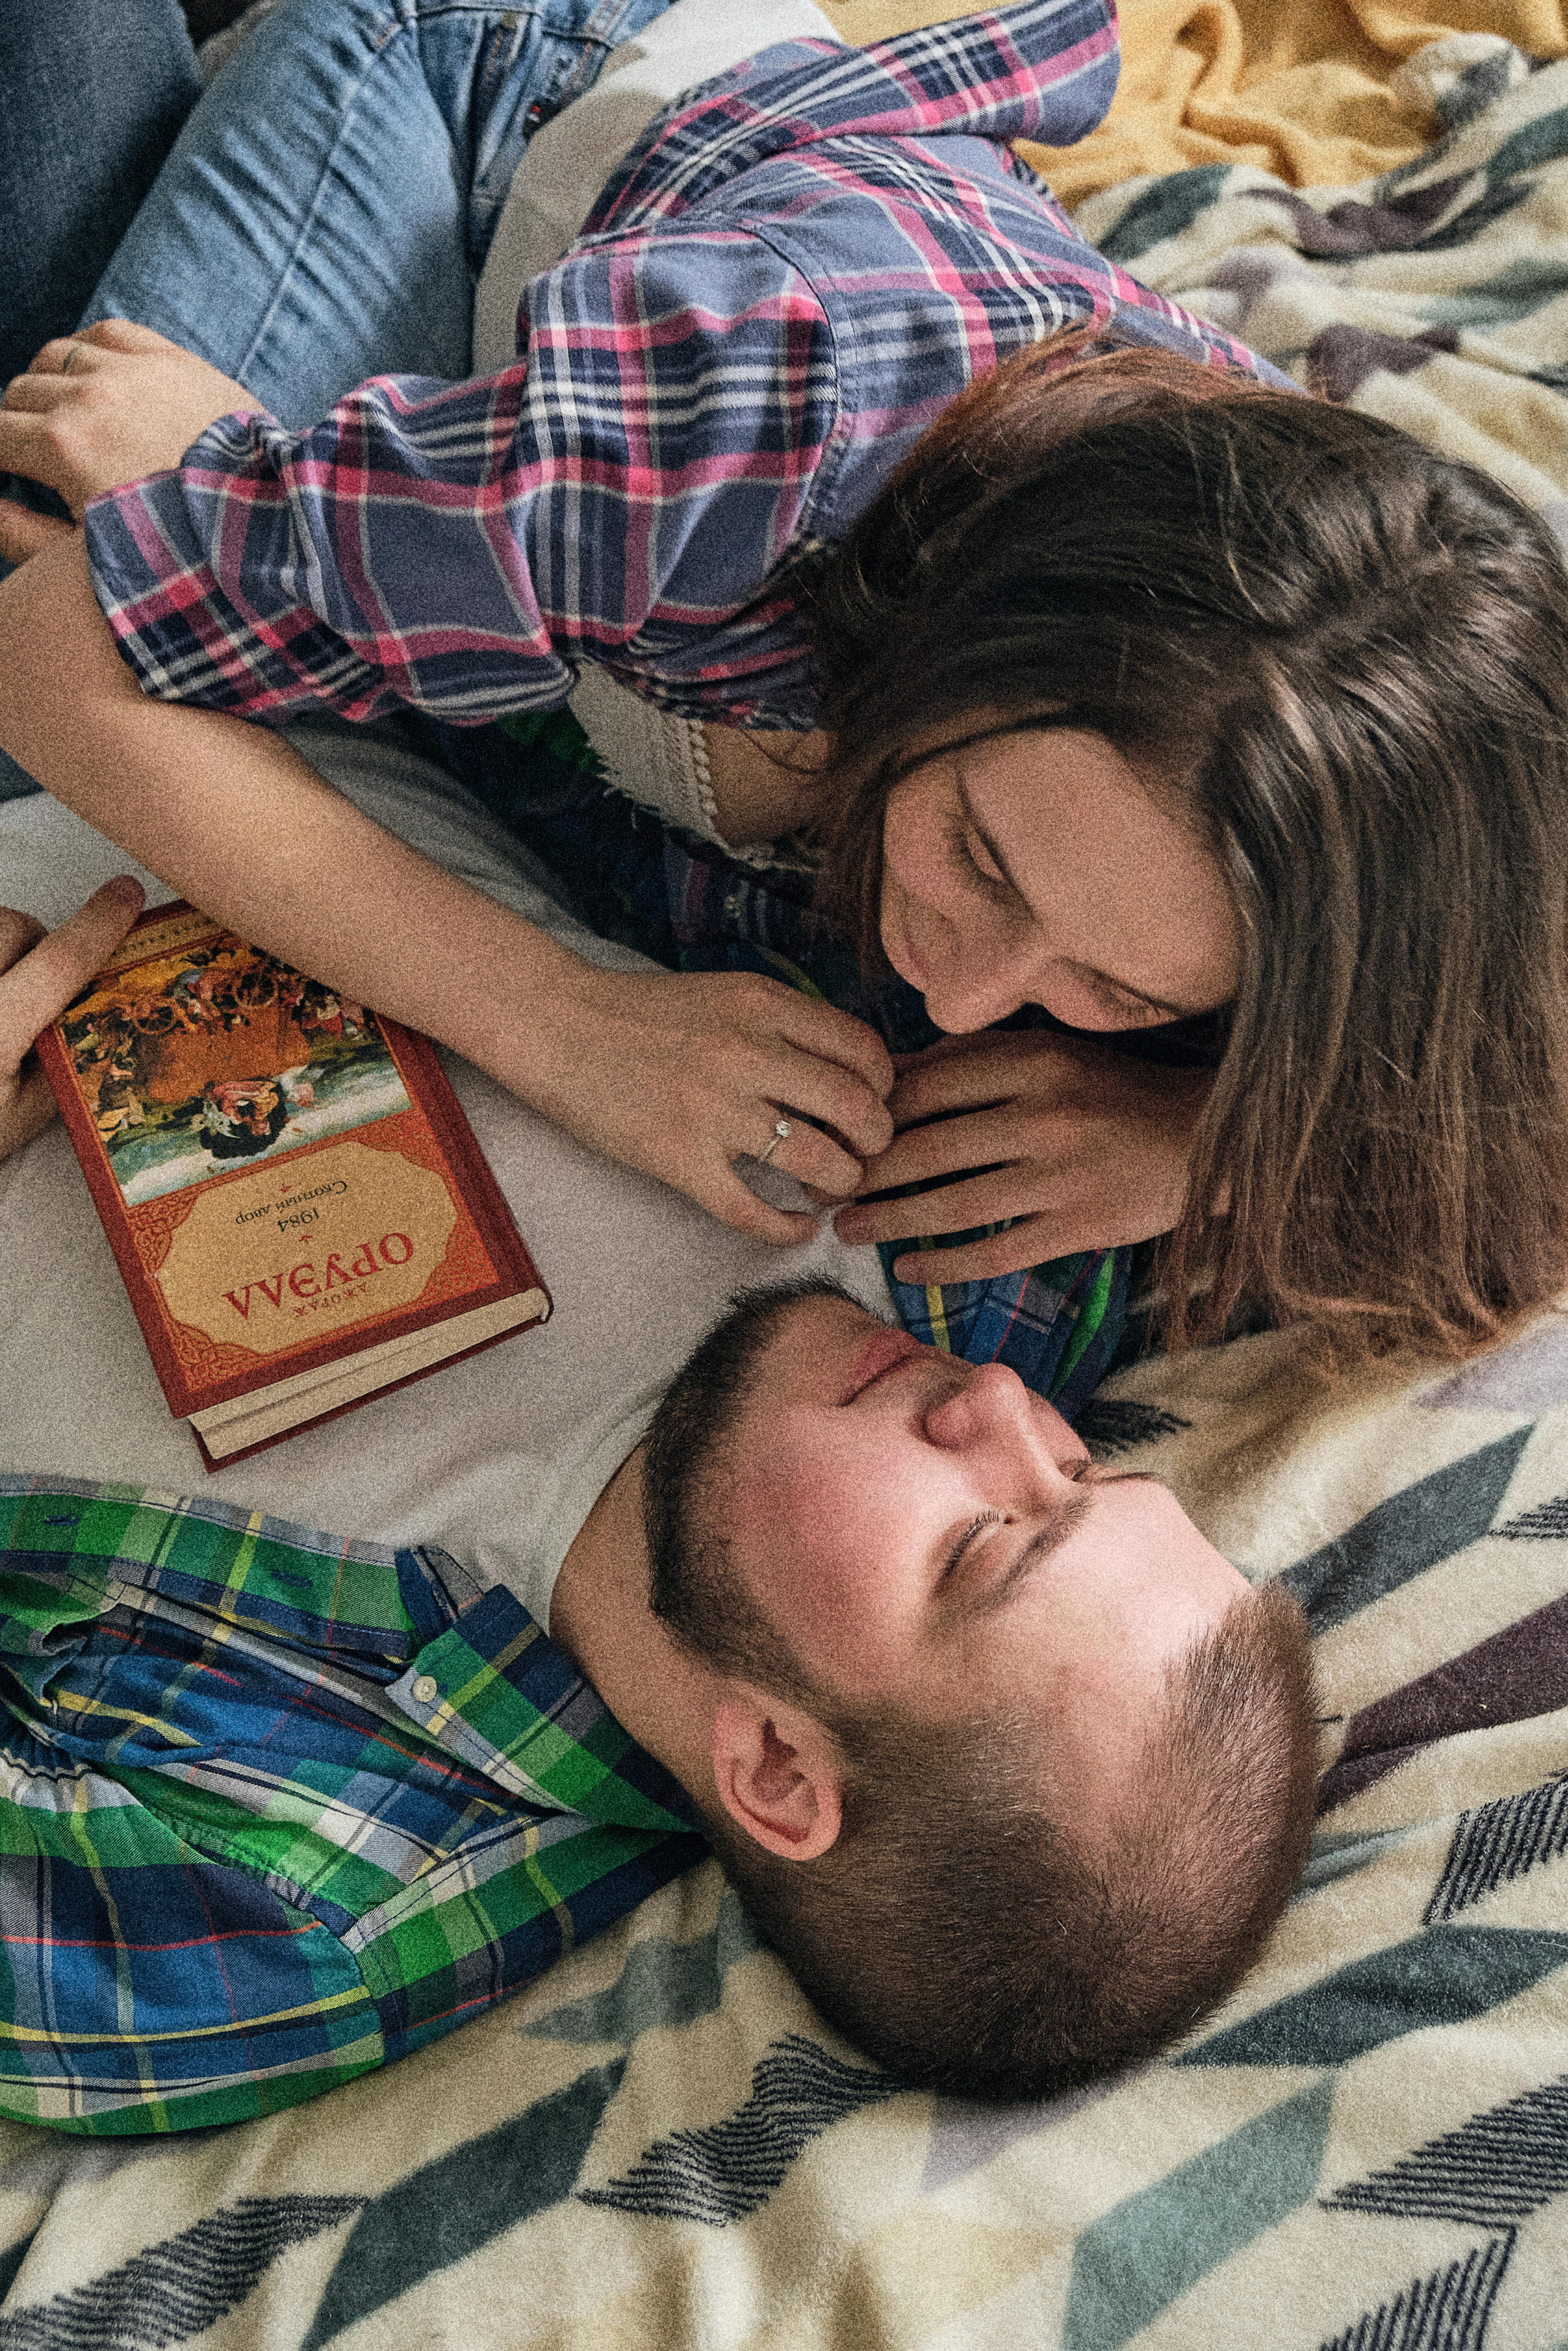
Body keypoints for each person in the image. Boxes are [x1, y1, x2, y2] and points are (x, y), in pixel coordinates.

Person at [6, 0, 1564, 1391]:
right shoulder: (744, 431)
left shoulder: (1403, 751)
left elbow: (1518, 1147)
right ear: (952, 644)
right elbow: (45, 649)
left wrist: (1204, 1145)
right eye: (978, 854)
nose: (966, 998)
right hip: (489, 108)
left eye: (1125, 990)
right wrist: (583, 1029)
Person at [0, 762, 1317, 2130]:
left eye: (984, 1539)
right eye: (1084, 1469)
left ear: (775, 1772)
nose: (992, 1406)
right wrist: (1210, 1137)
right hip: (191, 649)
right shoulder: (998, 1236)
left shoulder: (287, 1895)